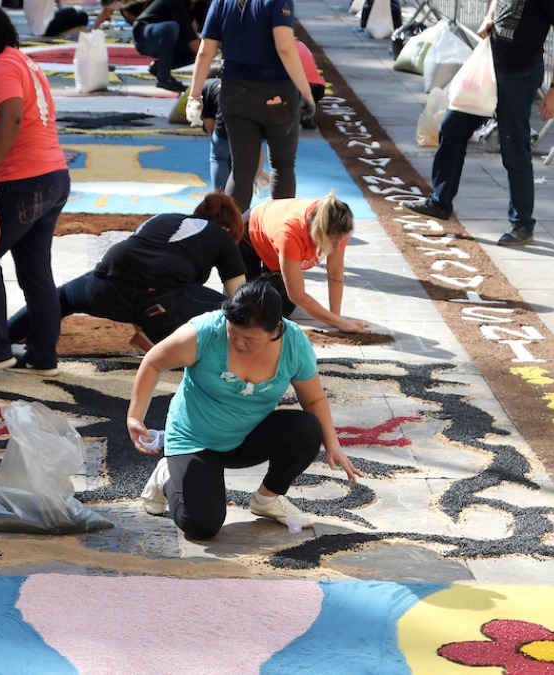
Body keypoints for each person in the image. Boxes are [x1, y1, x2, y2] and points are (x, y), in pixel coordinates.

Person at [126, 278, 363, 540]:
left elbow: (314, 400)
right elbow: (153, 361)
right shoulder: (204, 331)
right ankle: (166, 473)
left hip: (248, 436)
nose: (239, 343)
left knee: (307, 429)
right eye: (234, 333)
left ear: (275, 329)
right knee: (201, 526)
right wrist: (135, 416)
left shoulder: (294, 343)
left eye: (249, 339)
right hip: (196, 439)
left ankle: (267, 499)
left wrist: (333, 444)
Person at [0, 2, 71, 377]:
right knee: (36, 269)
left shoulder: (1, 67)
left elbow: (13, 113)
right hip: (51, 176)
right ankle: (41, 354)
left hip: (20, 181)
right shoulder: (22, 60)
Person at [402, 0, 554, 246]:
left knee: (514, 146)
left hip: (520, 76)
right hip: (490, 66)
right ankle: (441, 202)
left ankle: (522, 223)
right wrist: (489, 16)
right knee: (452, 126)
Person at [9, 192, 247, 358]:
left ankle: (2, 338)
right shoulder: (221, 236)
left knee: (59, 297)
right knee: (232, 312)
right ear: (228, 228)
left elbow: (134, 264)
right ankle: (159, 335)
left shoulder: (161, 219)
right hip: (159, 301)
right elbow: (240, 298)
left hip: (104, 289)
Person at [186, 0, 318, 211]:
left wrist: (194, 95)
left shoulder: (221, 2)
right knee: (282, 167)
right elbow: (285, 47)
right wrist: (306, 92)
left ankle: (231, 235)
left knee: (241, 171)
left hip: (234, 92)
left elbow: (205, 52)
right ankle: (278, 232)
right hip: (277, 93)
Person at [243, 192, 370, 333]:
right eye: (333, 242)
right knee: (249, 310)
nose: (337, 247)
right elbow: (297, 295)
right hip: (249, 232)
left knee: (283, 308)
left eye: (342, 240)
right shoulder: (290, 233)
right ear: (319, 233)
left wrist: (336, 319)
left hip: (273, 241)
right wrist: (340, 322)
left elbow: (335, 272)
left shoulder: (338, 227)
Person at [131, 0, 203, 92]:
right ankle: (163, 78)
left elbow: (206, 31)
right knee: (171, 27)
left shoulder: (203, 4)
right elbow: (188, 32)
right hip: (145, 38)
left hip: (170, 39)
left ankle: (159, 68)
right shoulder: (176, 2)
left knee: (202, 47)